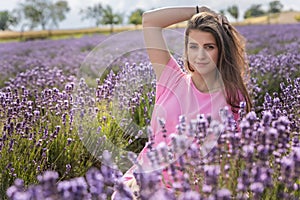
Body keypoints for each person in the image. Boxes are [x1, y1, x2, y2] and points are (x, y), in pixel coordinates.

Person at [114, 5, 252, 199]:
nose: (200, 55)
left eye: (209, 47)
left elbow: (234, 157)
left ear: (221, 51)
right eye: (193, 46)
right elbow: (150, 22)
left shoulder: (231, 96)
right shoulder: (170, 78)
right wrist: (197, 10)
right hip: (142, 182)